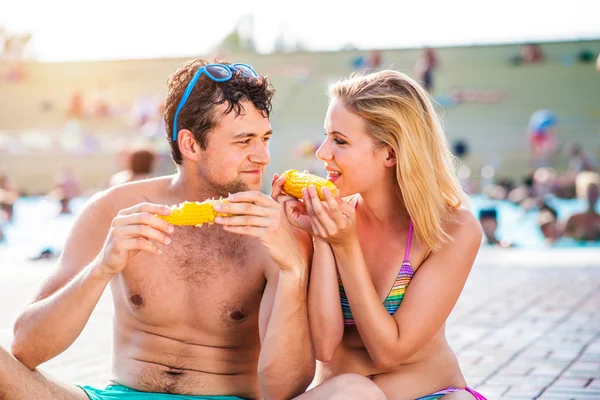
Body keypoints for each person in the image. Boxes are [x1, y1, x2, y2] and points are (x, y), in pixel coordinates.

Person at [0, 60, 385, 400]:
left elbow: (284, 390)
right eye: (243, 141)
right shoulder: (113, 208)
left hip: (229, 397)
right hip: (119, 395)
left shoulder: (281, 228)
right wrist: (101, 267)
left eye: (264, 138)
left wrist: (292, 270)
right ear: (190, 144)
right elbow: (26, 349)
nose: (263, 156)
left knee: (356, 393)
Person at [268, 70, 486, 399]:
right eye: (326, 136)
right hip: (347, 395)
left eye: (339, 141)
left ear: (390, 154)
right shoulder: (331, 218)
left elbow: (389, 353)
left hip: (435, 391)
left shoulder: (454, 229)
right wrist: (322, 237)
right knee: (356, 391)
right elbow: (325, 347)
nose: (322, 152)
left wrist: (347, 246)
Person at [564, 172, 600, 242]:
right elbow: (563, 240)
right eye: (590, 192)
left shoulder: (598, 218)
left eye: (595, 192)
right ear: (582, 193)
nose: (592, 196)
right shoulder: (573, 218)